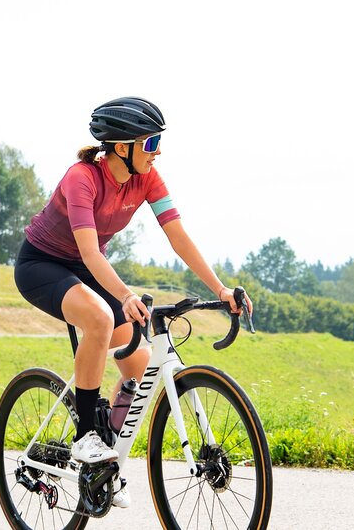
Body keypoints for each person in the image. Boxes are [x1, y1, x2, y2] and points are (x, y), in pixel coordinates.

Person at [14, 96, 252, 508]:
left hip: (89, 268)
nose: (158, 150)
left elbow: (178, 236)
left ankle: (102, 462)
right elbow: (90, 253)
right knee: (100, 319)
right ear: (121, 146)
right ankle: (86, 437)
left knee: (139, 369)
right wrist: (123, 295)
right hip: (42, 265)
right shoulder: (82, 177)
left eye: (159, 141)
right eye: (151, 142)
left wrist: (220, 290)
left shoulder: (148, 178)